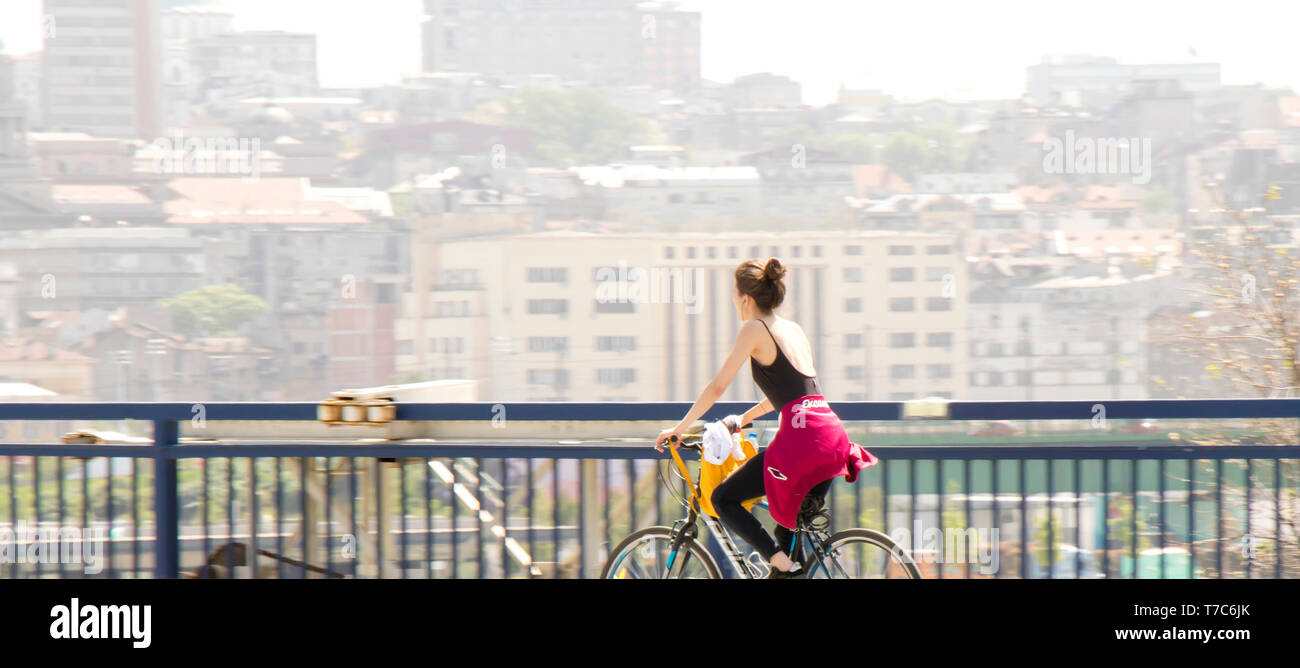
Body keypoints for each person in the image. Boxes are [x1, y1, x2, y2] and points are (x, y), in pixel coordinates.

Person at [655, 257, 877, 577]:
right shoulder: (793, 329)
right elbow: (787, 395)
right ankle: (785, 564)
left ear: (744, 298)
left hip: (801, 443)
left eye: (734, 297)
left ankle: (779, 560)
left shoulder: (753, 329)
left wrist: (679, 428)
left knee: (724, 499)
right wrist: (739, 421)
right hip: (829, 434)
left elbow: (717, 386)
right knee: (788, 539)